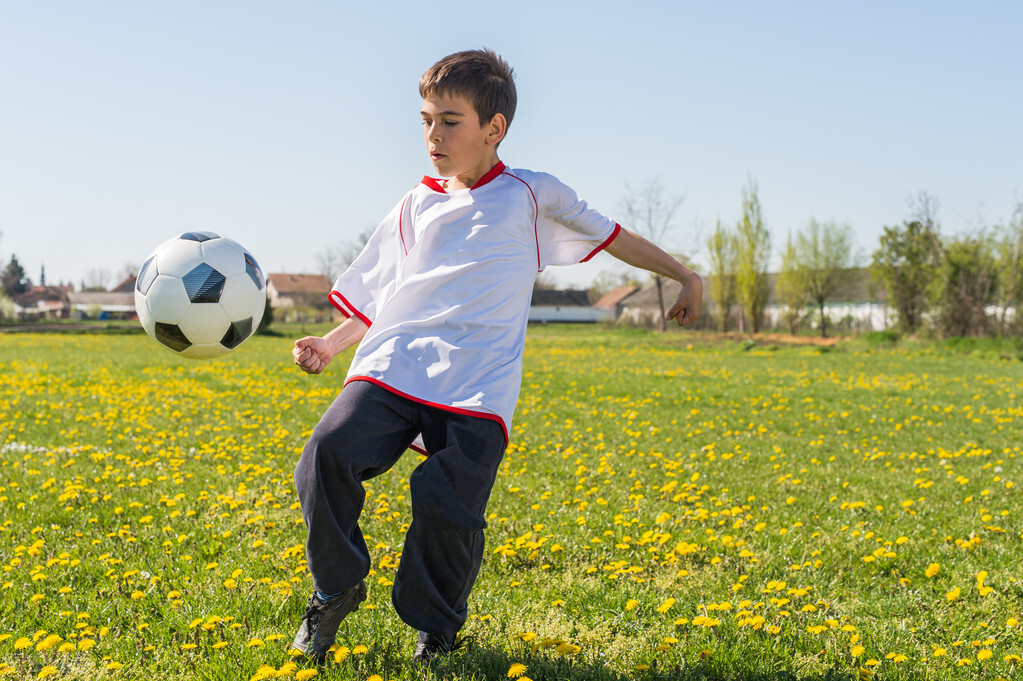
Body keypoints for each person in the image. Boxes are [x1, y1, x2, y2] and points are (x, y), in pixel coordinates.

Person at [290, 48, 702, 664]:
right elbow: (380, 293)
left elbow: (614, 235)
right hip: (394, 364)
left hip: (479, 382)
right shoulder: (414, 204)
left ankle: (437, 626)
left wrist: (684, 275)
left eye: (450, 121)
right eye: (426, 118)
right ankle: (335, 588)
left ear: (494, 128)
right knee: (325, 455)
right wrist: (330, 342)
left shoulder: (533, 195)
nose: (433, 134)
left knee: (447, 503)